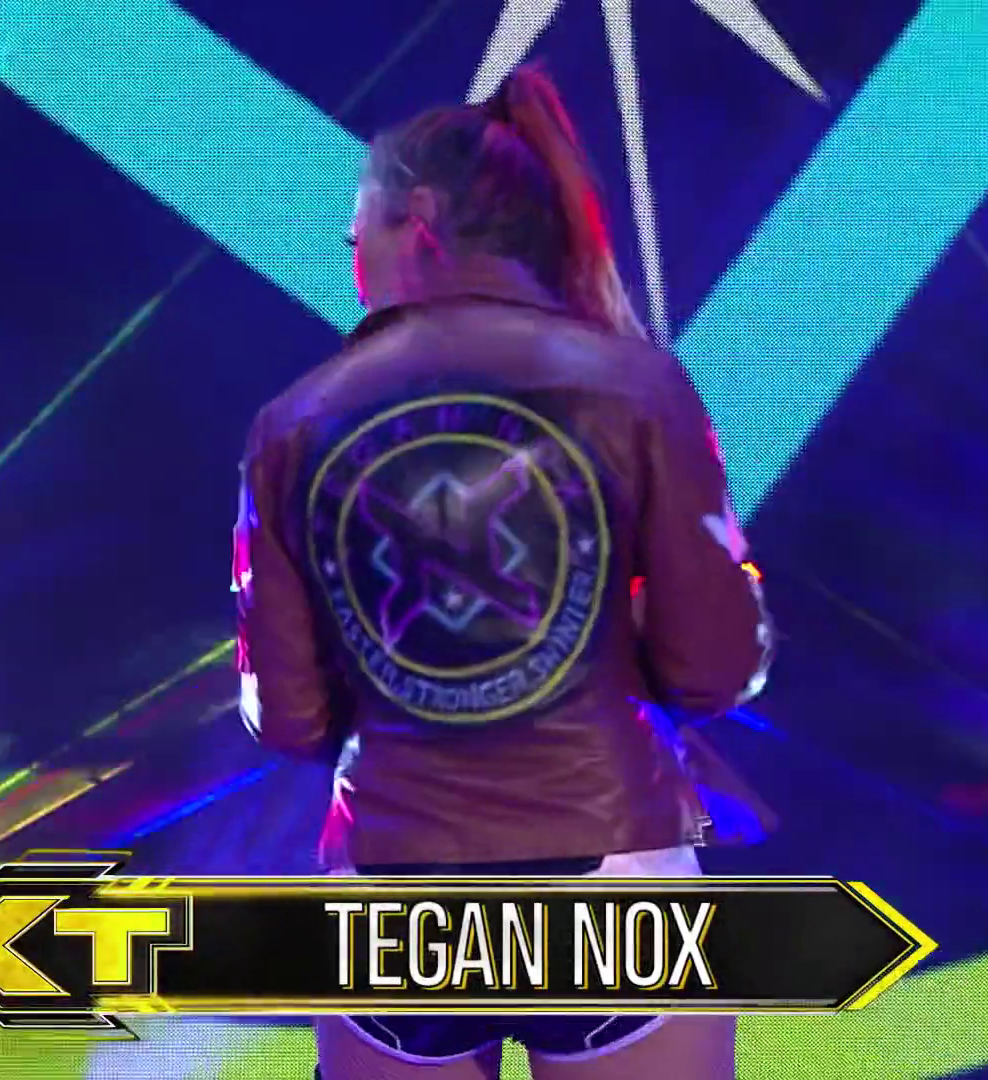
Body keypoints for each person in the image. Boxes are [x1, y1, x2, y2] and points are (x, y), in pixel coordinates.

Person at [231, 64, 776, 1080]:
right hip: (613, 879)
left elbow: (289, 721)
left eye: (358, 237)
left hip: (394, 891)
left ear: (419, 223)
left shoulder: (294, 422)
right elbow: (715, 671)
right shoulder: (640, 387)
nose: (352, 263)